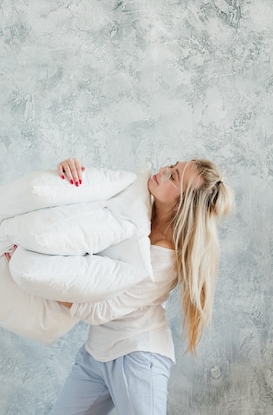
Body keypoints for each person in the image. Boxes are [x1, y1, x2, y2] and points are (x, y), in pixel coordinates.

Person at [47, 157, 234, 415]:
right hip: (96, 351)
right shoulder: (137, 207)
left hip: (137, 356)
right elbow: (84, 213)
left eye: (174, 177)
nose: (163, 171)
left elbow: (98, 309)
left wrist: (41, 281)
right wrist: (68, 174)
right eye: (173, 165)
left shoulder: (164, 260)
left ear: (180, 206)